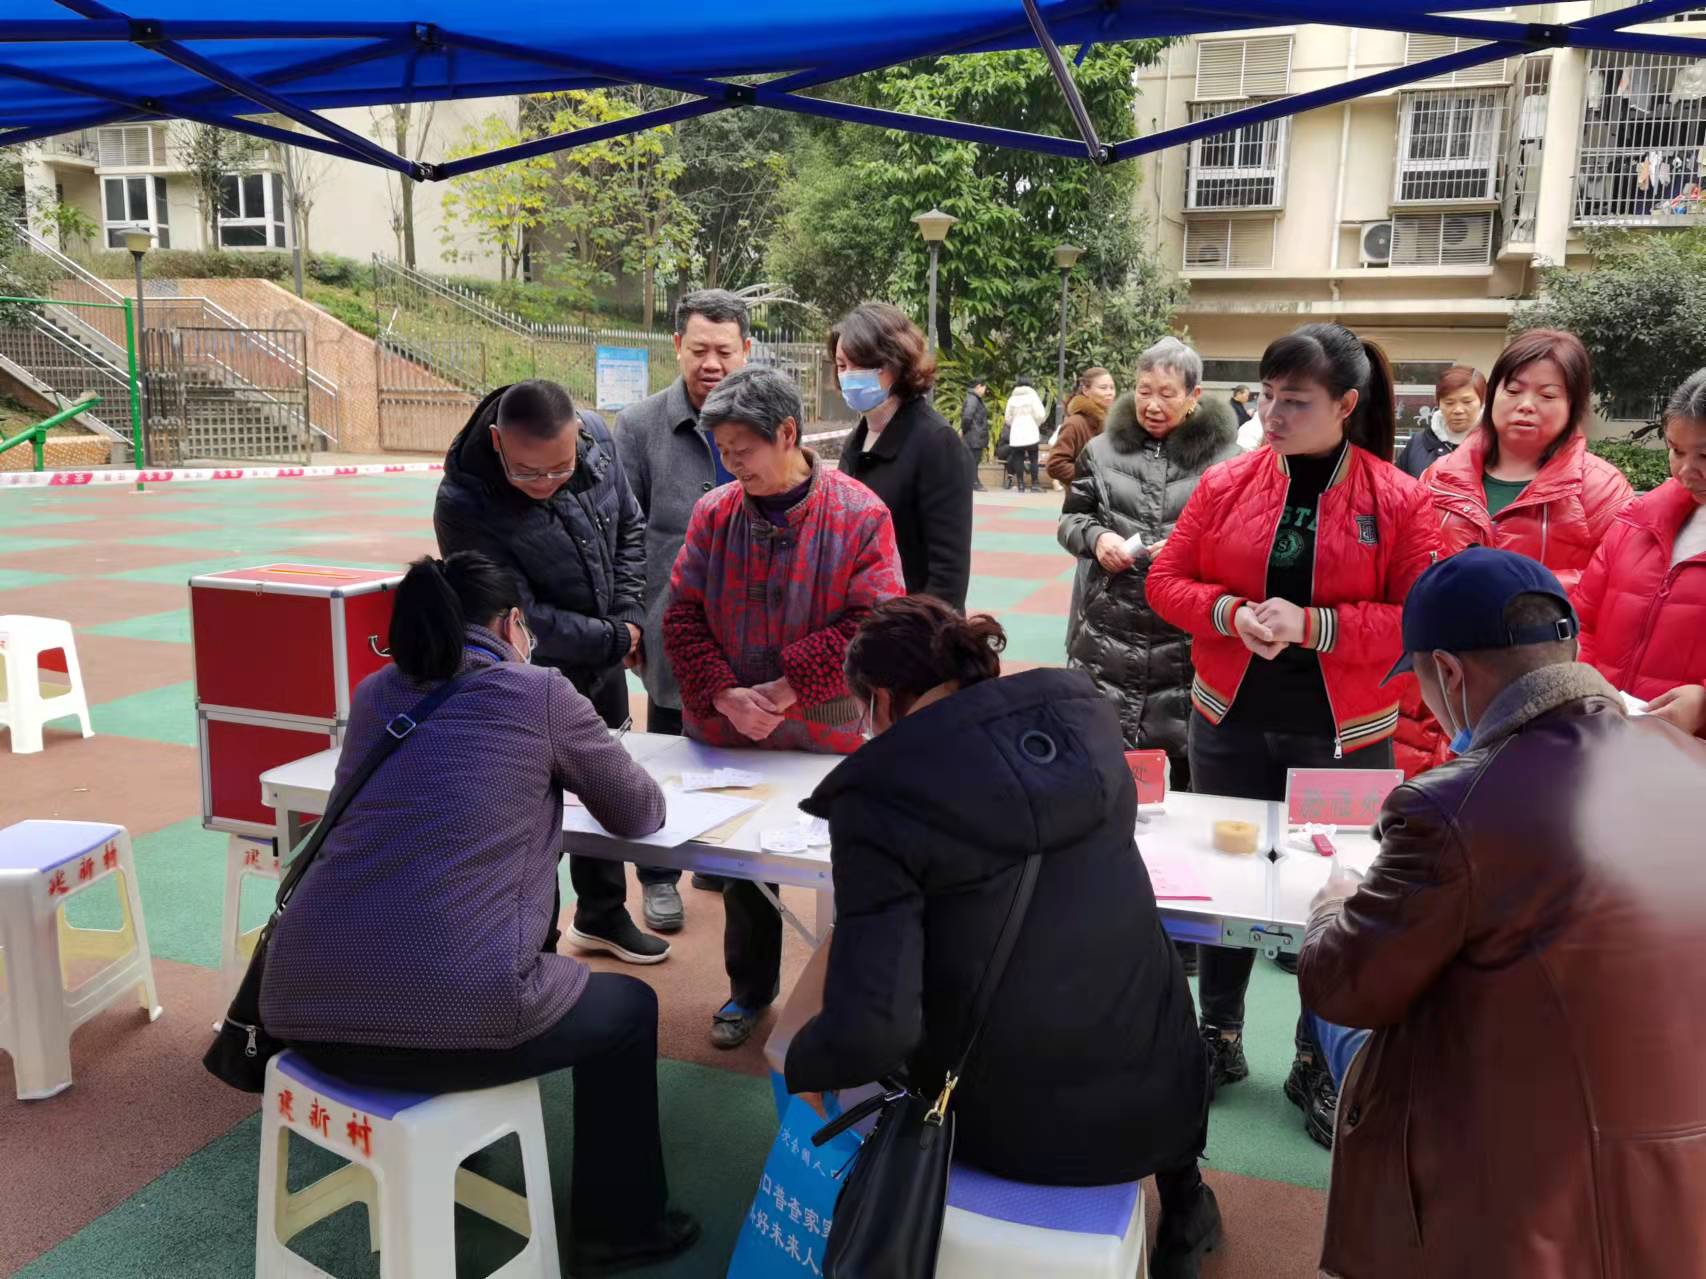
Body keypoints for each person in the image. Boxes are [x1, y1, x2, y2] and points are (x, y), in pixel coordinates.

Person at [260, 552, 702, 1276]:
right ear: (511, 624)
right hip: (456, 1012)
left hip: (302, 1008)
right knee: (628, 1010)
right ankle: (620, 1227)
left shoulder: (376, 694)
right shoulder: (541, 693)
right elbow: (642, 811)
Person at [1297, 547, 1706, 1278]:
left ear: (1449, 673)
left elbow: (1344, 985)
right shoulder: (1688, 760)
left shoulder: (1451, 804)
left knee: (1351, 1012)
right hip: (1675, 1172)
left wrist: (1333, 907)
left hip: (1518, 1194)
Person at [786, 597, 1222, 1279]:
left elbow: (873, 1030)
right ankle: (1186, 1201)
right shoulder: (1084, 712)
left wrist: (799, 1060)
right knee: (1122, 961)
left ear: (879, 700)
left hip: (1006, 1127)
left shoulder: (879, 800)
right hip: (1162, 1086)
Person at [1146, 322, 1439, 1147]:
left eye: (1295, 402)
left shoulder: (1398, 497)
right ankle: (1220, 1033)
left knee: (1333, 893)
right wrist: (1230, 612)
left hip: (1344, 736)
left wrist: (1318, 625)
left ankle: (1317, 1051)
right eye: (1266, 397)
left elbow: (1419, 617)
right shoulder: (1227, 483)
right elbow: (1167, 580)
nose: (1272, 415)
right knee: (1228, 878)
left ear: (1346, 404)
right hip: (1229, 719)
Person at [662, 366, 905, 1049]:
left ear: (789, 434)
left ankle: (851, 1002)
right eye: (723, 452)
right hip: (732, 730)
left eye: (743, 449)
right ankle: (749, 990)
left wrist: (788, 687)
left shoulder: (860, 514)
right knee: (744, 874)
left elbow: (877, 622)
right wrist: (722, 693)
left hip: (825, 728)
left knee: (850, 867)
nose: (731, 464)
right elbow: (680, 616)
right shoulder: (715, 513)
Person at [434, 379, 673, 962]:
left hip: (604, 654)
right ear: (497, 443)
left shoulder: (596, 438)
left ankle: (602, 914)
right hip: (527, 676)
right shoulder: (464, 500)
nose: (545, 484)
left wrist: (626, 619)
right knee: (530, 809)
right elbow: (514, 613)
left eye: (559, 469)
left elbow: (630, 530)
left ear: (579, 436)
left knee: (606, 784)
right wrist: (613, 638)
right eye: (527, 473)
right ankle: (529, 944)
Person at [615, 289, 752, 899]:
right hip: (669, 617)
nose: (711, 364)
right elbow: (621, 530)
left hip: (751, 620)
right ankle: (659, 873)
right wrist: (629, 620)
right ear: (677, 346)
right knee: (669, 746)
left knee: (735, 738)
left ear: (747, 350)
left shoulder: (766, 417)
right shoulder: (640, 426)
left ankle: (720, 856)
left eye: (725, 350)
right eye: (699, 349)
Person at [1058, 339, 1239, 789]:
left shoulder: (1230, 463)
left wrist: (1192, 548)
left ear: (1194, 397)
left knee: (1177, 780)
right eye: (1143, 390)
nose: (1152, 404)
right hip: (1104, 635)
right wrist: (1097, 538)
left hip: (1182, 644)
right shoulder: (1100, 451)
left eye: (1167, 393)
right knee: (1095, 775)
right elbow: (1071, 519)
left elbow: (1245, 544)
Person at [1424, 329, 1633, 594]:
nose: (1526, 405)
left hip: (1547, 634)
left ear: (1572, 406)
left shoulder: (1602, 489)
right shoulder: (1438, 478)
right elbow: (1412, 563)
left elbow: (1617, 582)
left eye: (1547, 395)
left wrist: (1516, 588)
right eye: (1513, 390)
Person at [1577, 367, 1706, 738]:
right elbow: (1582, 621)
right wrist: (1587, 687)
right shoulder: (1639, 520)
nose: (1686, 470)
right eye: (1676, 450)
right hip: (1604, 737)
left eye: (1705, 455)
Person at [832, 302, 973, 611]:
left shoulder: (936, 443)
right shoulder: (855, 443)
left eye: (864, 364)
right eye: (842, 366)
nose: (850, 376)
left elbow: (947, 575)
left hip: (911, 635)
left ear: (897, 362)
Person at [1396, 365, 1484, 478]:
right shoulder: (1418, 443)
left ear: (1482, 402)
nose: (1458, 410)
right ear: (1438, 403)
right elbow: (1398, 489)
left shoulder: (1496, 445)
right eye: (1449, 403)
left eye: (1467, 402)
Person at [1045, 365, 1118, 486]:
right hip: (1083, 501)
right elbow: (1055, 465)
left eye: (1112, 388)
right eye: (1103, 388)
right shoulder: (1075, 423)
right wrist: (1092, 476)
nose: (1109, 393)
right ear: (1085, 390)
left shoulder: (1115, 422)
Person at [1003, 376, 1048, 493]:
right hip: (1031, 431)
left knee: (1018, 458)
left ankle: (1021, 485)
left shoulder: (1012, 399)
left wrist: (1016, 423)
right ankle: (1035, 484)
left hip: (1016, 434)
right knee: (1033, 458)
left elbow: (1007, 418)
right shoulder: (1033, 397)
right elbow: (1041, 415)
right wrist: (1034, 423)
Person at [960, 378, 990, 491]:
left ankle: (974, 481)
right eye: (984, 387)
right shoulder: (973, 399)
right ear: (978, 386)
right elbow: (967, 416)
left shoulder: (975, 399)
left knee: (974, 460)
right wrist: (964, 429)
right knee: (973, 460)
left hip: (975, 434)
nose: (985, 390)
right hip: (974, 435)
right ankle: (974, 483)